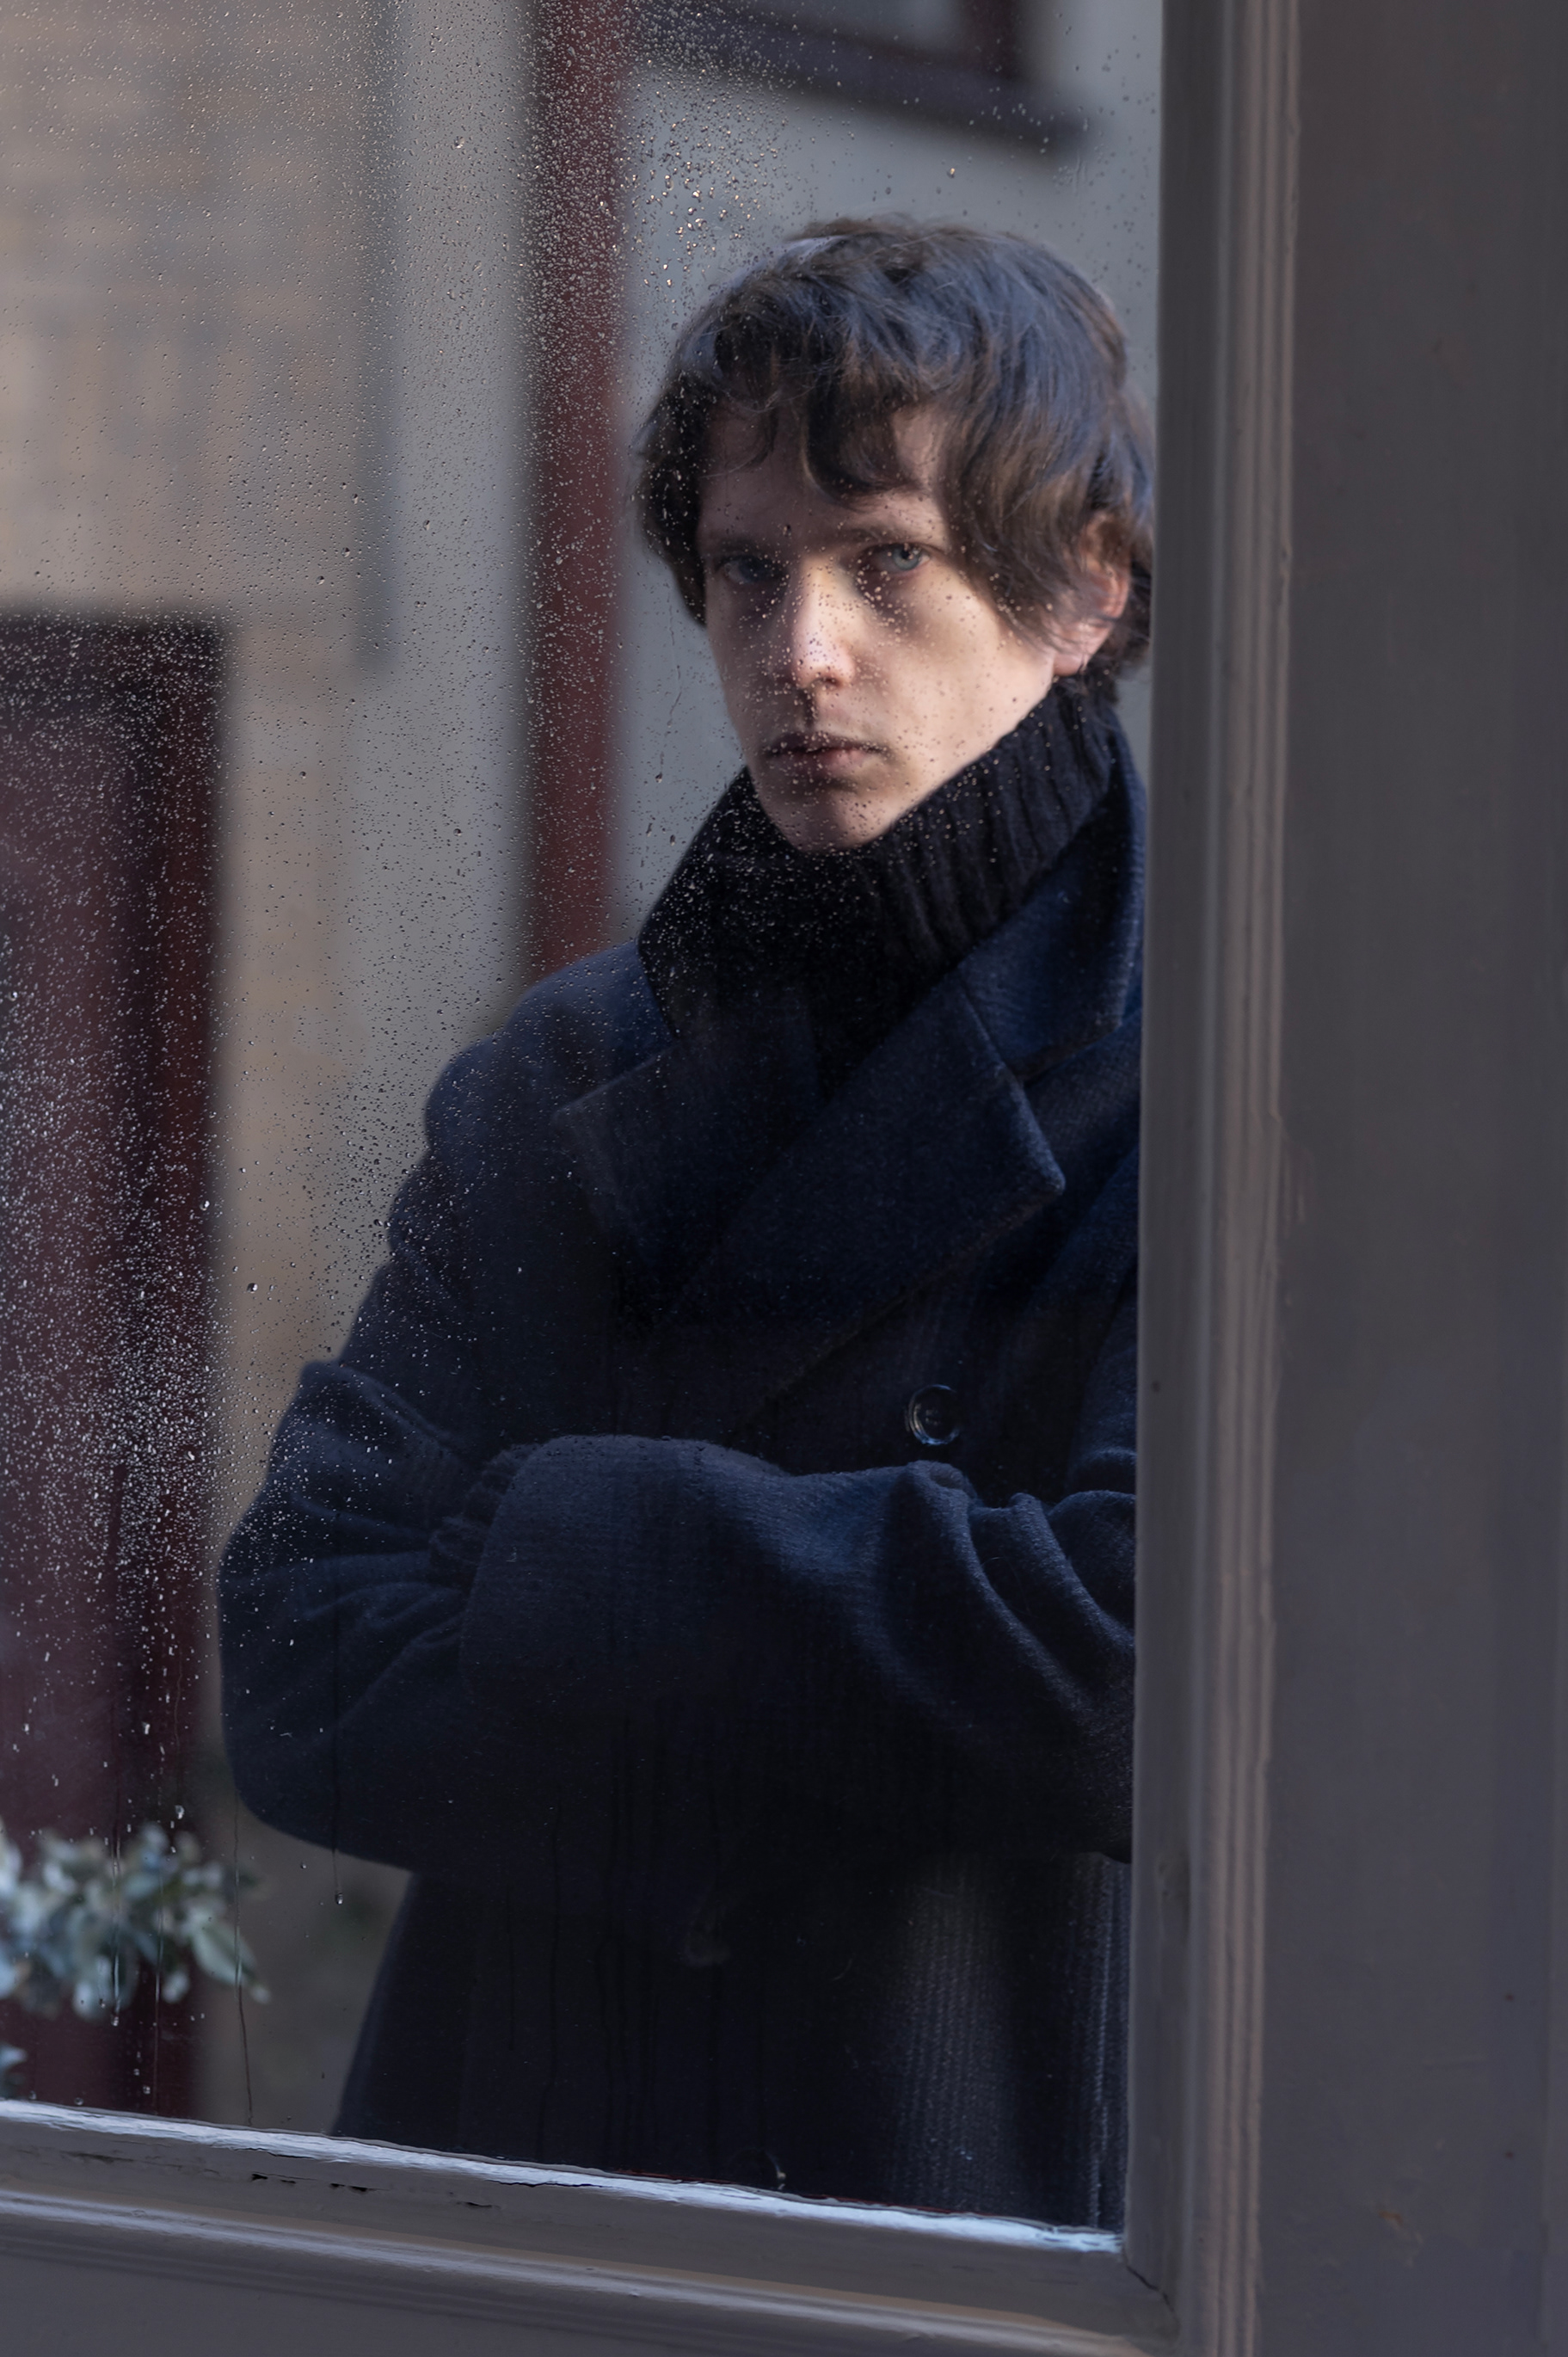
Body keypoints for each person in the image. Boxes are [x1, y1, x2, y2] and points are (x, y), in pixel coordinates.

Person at [220, 218, 1151, 2226]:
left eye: (883, 563)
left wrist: (577, 1537)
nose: (798, 652)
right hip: (519, 2186)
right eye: (747, 571)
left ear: (1085, 586)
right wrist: (849, 1743)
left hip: (968, 2228)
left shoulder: (1225, 1082)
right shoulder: (564, 1071)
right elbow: (297, 1653)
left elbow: (1132, 1671)